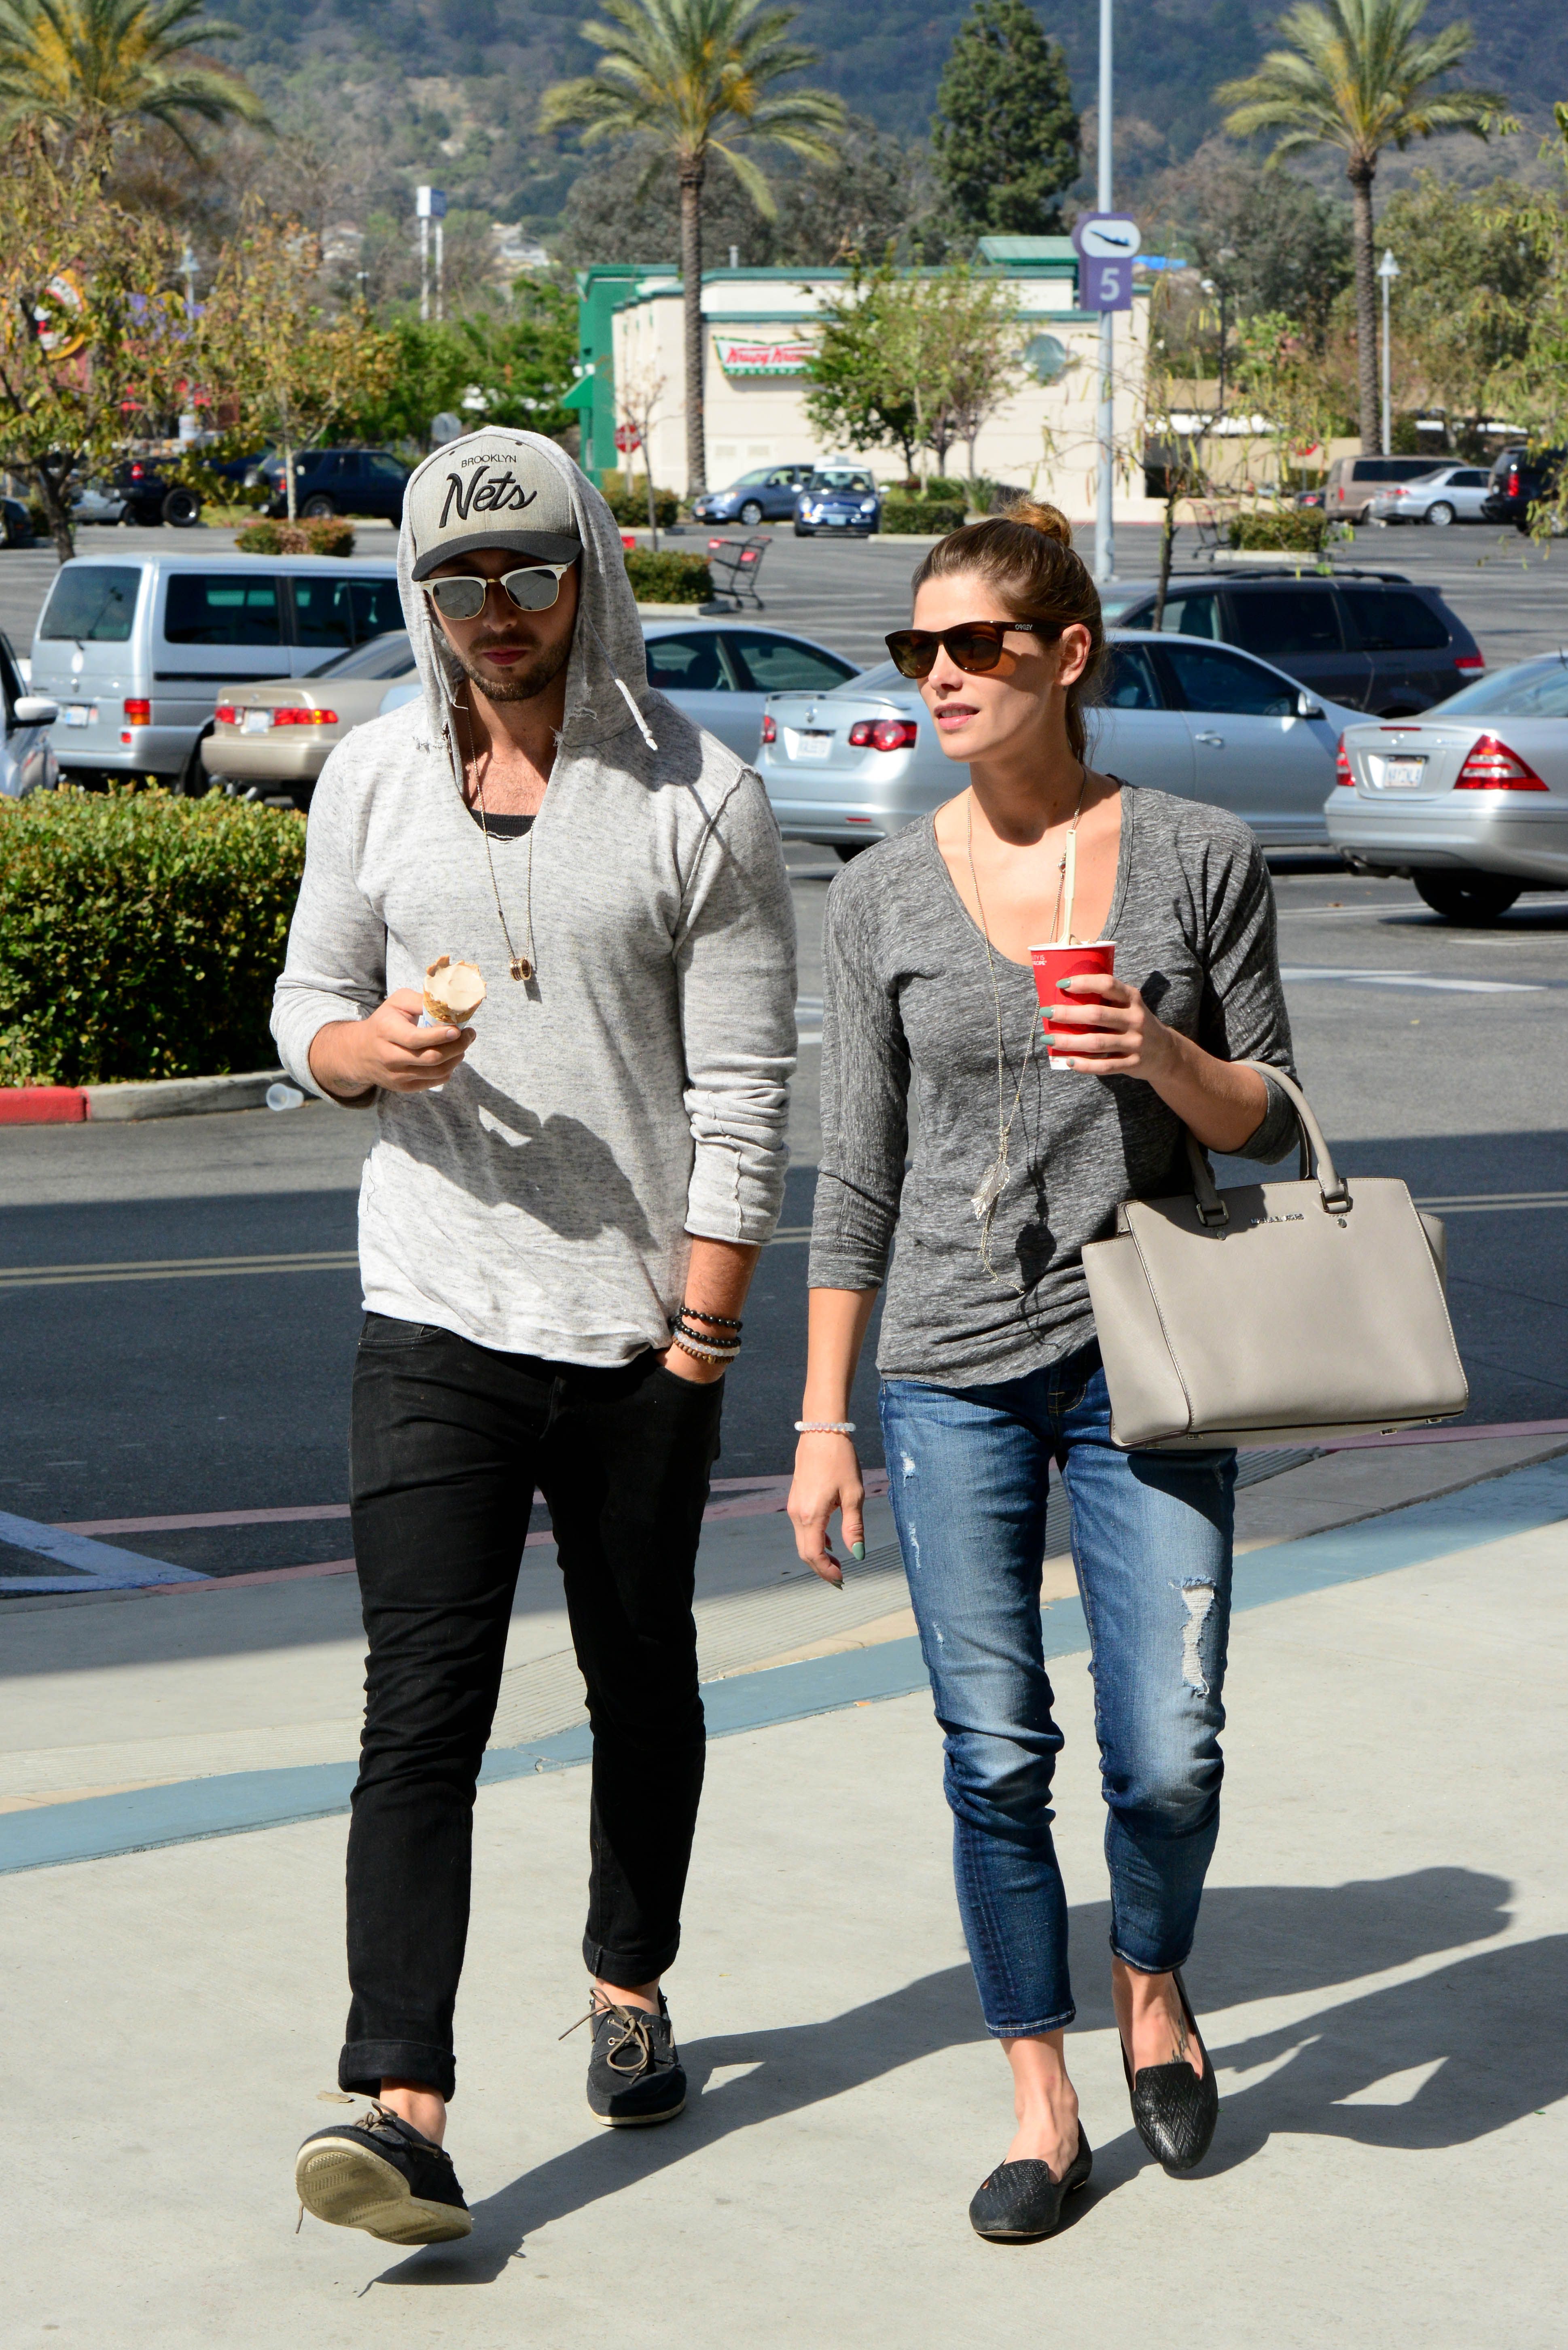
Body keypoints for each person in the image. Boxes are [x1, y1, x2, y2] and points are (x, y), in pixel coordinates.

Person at [274, 428, 796, 2245]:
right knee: (420, 1708)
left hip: (639, 1333)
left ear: (589, 574)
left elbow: (745, 1096)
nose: (497, 611)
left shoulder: (697, 797)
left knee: (640, 1676)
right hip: (433, 1309)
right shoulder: (373, 777)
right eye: (459, 580)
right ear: (422, 592)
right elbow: (308, 996)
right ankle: (399, 2103)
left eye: (529, 573)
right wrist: (358, 1057)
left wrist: (703, 1338)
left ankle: (629, 1978)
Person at [786, 502, 1297, 2242]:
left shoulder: (1198, 856)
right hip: (946, 1369)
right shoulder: (877, 892)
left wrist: (1160, 1052)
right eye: (915, 649)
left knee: (1169, 1753)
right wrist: (821, 1421)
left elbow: (1274, 1122)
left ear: (1067, 654)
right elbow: (855, 1176)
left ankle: (1150, 1979)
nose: (938, 675)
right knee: (995, 1751)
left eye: (974, 645)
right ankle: (1041, 2093)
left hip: (1154, 1345)